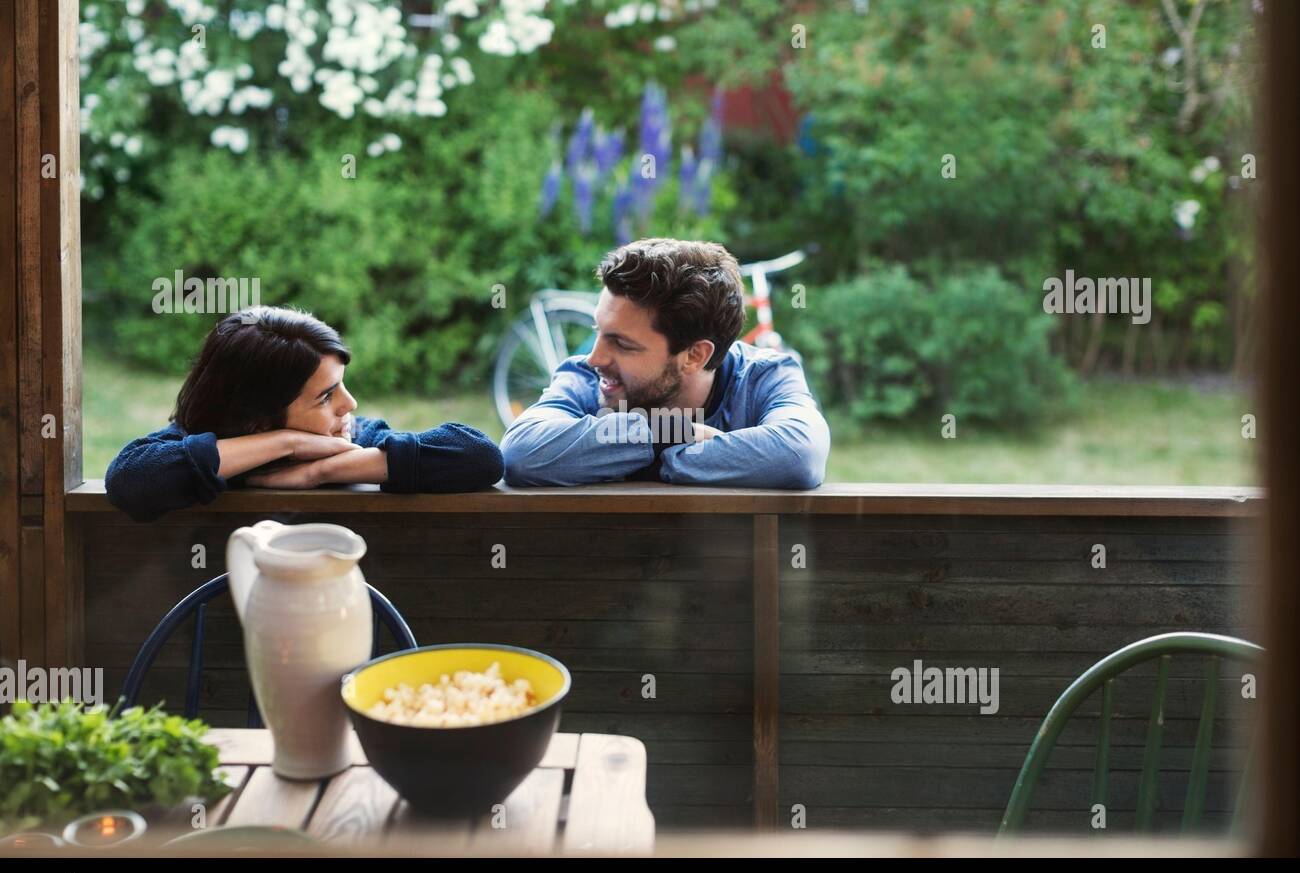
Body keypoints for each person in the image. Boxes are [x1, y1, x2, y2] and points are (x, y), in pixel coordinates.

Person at [105, 306, 503, 522]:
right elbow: (131, 481)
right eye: (326, 397)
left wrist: (322, 471)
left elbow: (480, 456)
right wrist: (287, 442)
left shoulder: (348, 440)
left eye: (342, 384)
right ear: (257, 418)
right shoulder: (196, 447)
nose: (350, 405)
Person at [501, 238, 829, 488]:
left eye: (622, 343)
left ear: (694, 355)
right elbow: (520, 453)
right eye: (598, 330)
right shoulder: (585, 376)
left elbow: (801, 454)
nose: (594, 358)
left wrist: (634, 459)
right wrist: (670, 435)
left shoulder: (765, 376)